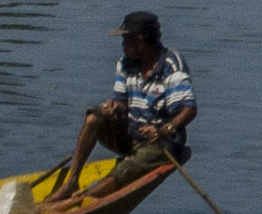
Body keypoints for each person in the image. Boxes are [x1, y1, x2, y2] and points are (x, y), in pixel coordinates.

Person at [53, 10, 195, 194]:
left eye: (126, 39)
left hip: (161, 143)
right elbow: (121, 102)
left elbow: (188, 109)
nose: (122, 44)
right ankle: (72, 182)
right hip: (132, 135)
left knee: (122, 172)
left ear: (141, 40)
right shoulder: (126, 63)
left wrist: (164, 130)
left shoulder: (171, 64)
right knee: (94, 118)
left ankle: (85, 196)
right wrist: (113, 108)